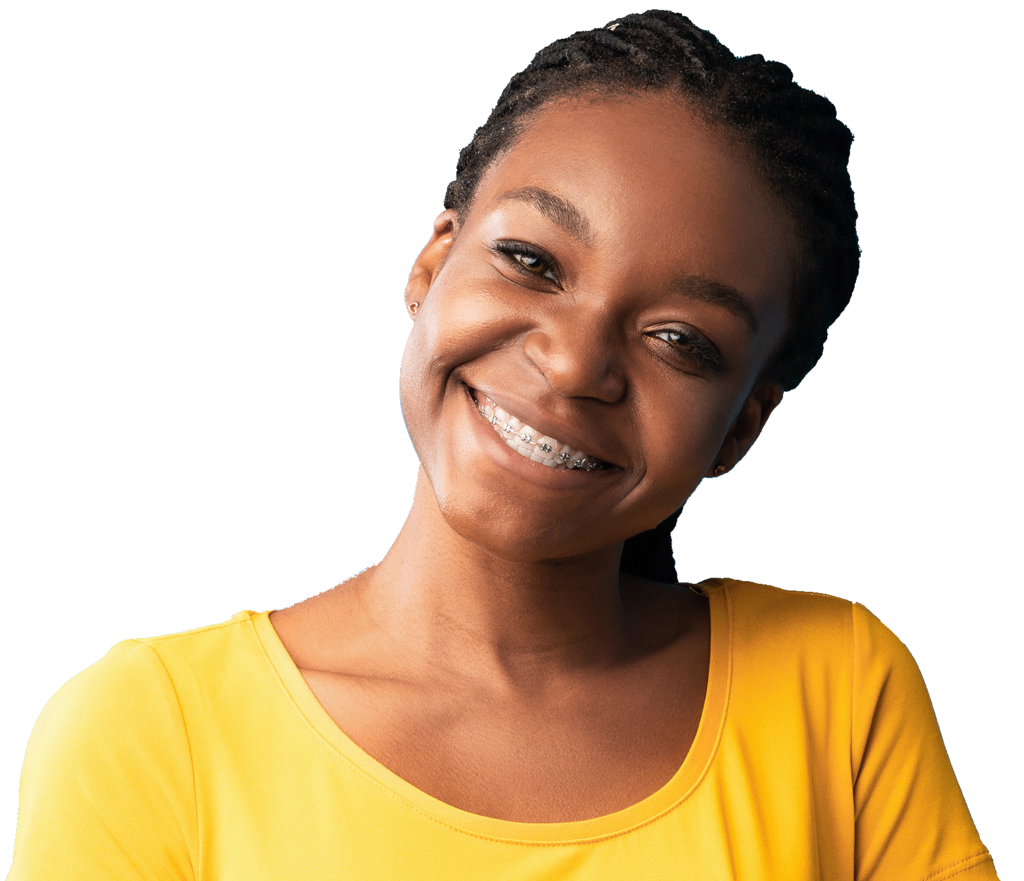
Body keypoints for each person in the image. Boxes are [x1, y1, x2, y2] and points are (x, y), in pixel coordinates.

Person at [9, 10, 997, 879]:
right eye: (531, 260)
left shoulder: (837, 688)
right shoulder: (150, 731)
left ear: (740, 425)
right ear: (431, 264)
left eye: (681, 341)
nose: (573, 364)